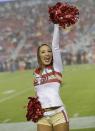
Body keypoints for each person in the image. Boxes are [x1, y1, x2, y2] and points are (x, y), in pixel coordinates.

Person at [33, 24, 69, 131]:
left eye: (49, 51)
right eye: (43, 52)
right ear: (39, 55)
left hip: (58, 114)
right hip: (42, 116)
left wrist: (56, 25)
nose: (47, 54)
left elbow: (55, 46)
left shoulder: (56, 68)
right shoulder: (36, 73)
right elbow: (38, 93)